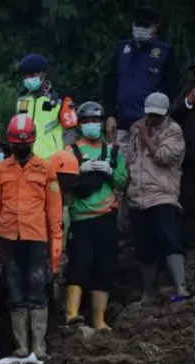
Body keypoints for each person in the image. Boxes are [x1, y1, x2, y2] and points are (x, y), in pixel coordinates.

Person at [0, 115, 63, 360]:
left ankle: (38, 345)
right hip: (8, 237)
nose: (21, 147)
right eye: (17, 143)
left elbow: (54, 208)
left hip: (36, 236)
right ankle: (21, 346)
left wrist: (56, 240)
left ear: (32, 141)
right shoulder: (0, 170)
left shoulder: (46, 169)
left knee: (38, 290)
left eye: (25, 143)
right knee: (15, 290)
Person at [64, 102, 129, 330]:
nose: (91, 125)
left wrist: (110, 171)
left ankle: (99, 320)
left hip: (106, 215)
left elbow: (122, 181)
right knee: (78, 265)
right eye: (86, 121)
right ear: (80, 125)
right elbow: (60, 178)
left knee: (105, 266)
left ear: (101, 123)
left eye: (95, 121)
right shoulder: (70, 151)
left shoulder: (113, 151)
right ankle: (71, 315)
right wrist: (79, 170)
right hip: (80, 217)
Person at [127, 92, 189, 303]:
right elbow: (129, 159)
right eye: (151, 114)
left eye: (157, 114)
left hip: (163, 195)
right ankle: (148, 293)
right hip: (138, 197)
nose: (153, 118)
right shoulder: (136, 129)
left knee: (171, 241)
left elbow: (164, 157)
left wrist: (146, 138)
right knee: (144, 248)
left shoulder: (173, 131)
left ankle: (181, 287)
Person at [104, 7, 179, 151]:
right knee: (119, 163)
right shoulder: (121, 49)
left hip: (150, 126)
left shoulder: (165, 53)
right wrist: (109, 115)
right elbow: (110, 86)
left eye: (145, 25)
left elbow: (173, 91)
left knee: (147, 164)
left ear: (155, 27)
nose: (140, 28)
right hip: (121, 125)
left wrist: (158, 120)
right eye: (138, 24)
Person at [172, 53, 195, 255]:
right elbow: (172, 116)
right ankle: (193, 244)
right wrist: (188, 102)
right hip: (188, 154)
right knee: (186, 200)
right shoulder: (187, 90)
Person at [14, 53, 78, 159]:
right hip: (27, 160)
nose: (28, 78)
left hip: (53, 161)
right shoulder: (21, 101)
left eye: (32, 74)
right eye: (25, 75)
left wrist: (66, 157)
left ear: (43, 73)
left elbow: (70, 133)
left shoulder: (61, 99)